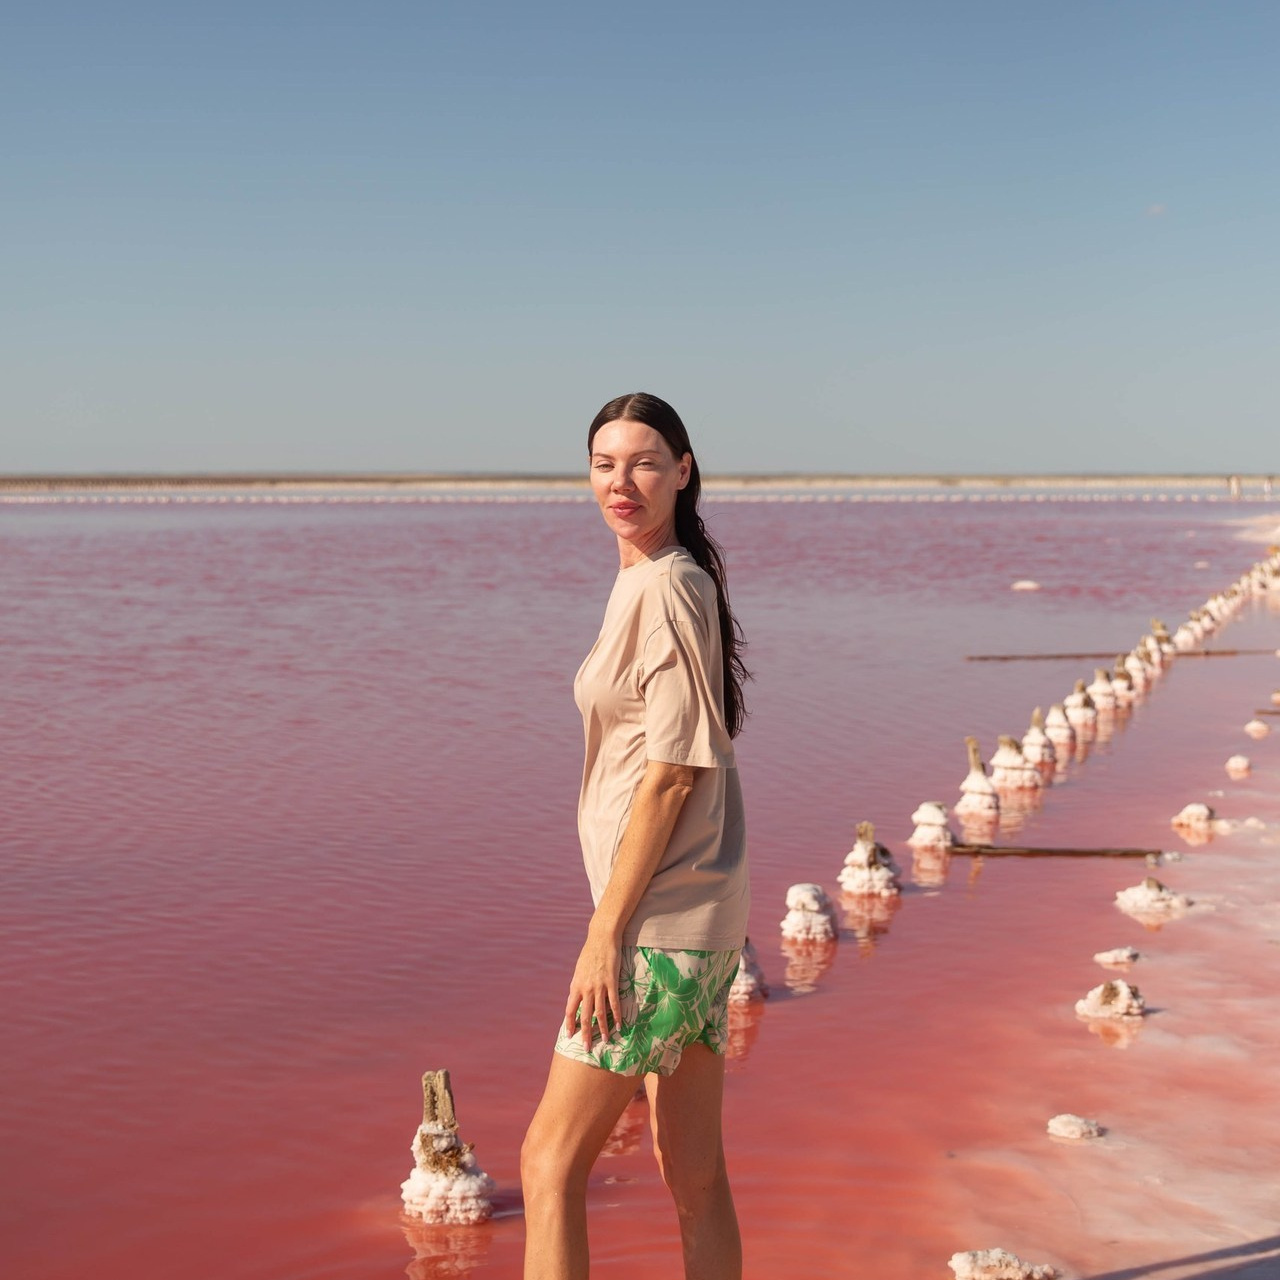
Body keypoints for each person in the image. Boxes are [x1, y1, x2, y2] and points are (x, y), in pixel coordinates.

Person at [521, 392, 751, 1280]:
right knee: (692, 1173)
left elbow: (672, 773)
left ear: (683, 472)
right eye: (605, 463)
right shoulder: (665, 580)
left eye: (645, 462)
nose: (622, 481)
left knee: (549, 1163)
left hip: (652, 929)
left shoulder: (666, 586)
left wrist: (603, 934)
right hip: (695, 924)